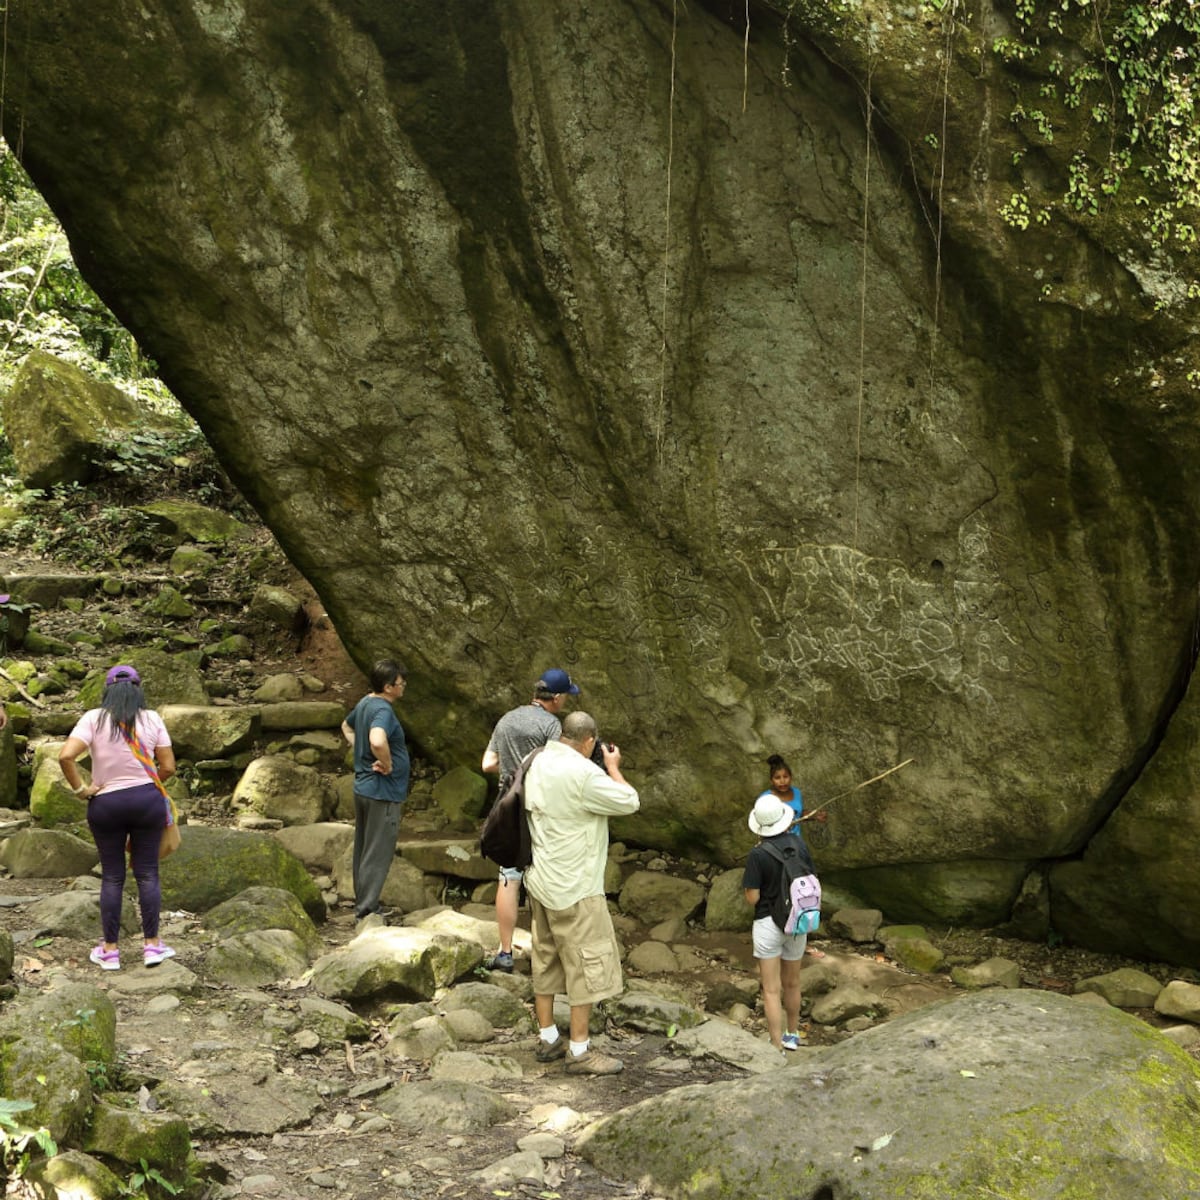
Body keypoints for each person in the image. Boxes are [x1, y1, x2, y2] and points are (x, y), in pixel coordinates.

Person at [523, 711, 639, 1075]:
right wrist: (613, 766)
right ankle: (580, 1050)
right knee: (586, 966)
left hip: (540, 879)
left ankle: (546, 1038)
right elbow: (628, 801)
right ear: (589, 741)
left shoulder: (536, 759)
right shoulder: (585, 773)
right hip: (575, 887)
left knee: (545, 958)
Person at [59, 664, 176, 970]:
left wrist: (83, 790)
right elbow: (169, 766)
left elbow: (65, 756)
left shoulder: (93, 719)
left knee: (112, 876)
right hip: (146, 801)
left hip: (106, 804)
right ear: (138, 689)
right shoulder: (151, 719)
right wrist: (151, 782)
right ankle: (152, 946)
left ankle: (110, 951)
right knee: (148, 873)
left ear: (107, 690)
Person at [480, 667, 581, 972]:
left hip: (508, 808)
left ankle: (505, 951)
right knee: (545, 879)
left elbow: (488, 764)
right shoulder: (552, 726)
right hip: (539, 809)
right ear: (558, 697)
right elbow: (560, 768)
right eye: (566, 697)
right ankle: (547, 954)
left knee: (509, 877)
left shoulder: (507, 719)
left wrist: (514, 769)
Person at [341, 659, 410, 921]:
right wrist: (388, 763)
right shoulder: (382, 710)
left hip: (364, 788)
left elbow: (346, 726)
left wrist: (360, 752)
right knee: (377, 851)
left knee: (364, 848)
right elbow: (377, 739)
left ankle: (365, 903)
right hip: (382, 791)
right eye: (400, 683)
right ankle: (367, 910)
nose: (404, 686)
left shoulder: (365, 702)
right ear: (388, 686)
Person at [743, 792, 812, 1054]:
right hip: (797, 921)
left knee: (772, 989)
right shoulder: (799, 845)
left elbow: (753, 898)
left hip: (768, 923)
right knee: (793, 982)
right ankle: (792, 1035)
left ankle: (775, 1048)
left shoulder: (757, 854)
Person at [760, 752, 827, 958]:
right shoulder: (765, 799)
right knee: (778, 891)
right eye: (778, 778)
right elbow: (761, 824)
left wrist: (813, 816)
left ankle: (799, 939)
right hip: (775, 851)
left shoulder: (796, 793)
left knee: (799, 892)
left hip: (796, 849)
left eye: (785, 777)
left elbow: (798, 814)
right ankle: (775, 936)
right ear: (772, 780)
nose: (782, 781)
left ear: (791, 777)